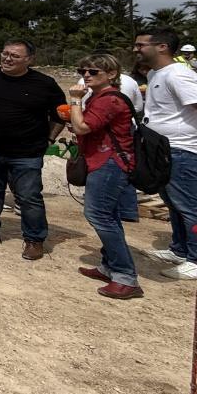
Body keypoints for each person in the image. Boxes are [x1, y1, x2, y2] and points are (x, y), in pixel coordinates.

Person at [0, 38, 66, 261]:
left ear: (29, 60)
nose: (7, 58)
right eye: (5, 53)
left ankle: (34, 239)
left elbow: (60, 115)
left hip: (27, 152)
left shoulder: (44, 84)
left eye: (14, 56)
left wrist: (49, 139)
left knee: (29, 197)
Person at [67, 53, 142, 298]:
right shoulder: (100, 97)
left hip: (109, 163)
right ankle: (110, 266)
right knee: (108, 215)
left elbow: (82, 127)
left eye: (93, 72)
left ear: (111, 74)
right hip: (103, 160)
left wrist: (75, 101)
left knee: (98, 214)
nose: (86, 75)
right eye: (83, 71)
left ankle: (125, 276)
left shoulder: (108, 99)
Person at [135, 29, 197, 279]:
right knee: (173, 203)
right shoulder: (157, 73)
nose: (136, 49)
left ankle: (195, 258)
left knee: (190, 205)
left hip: (180, 149)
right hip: (161, 150)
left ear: (161, 47)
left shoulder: (179, 75)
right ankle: (179, 249)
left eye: (141, 45)